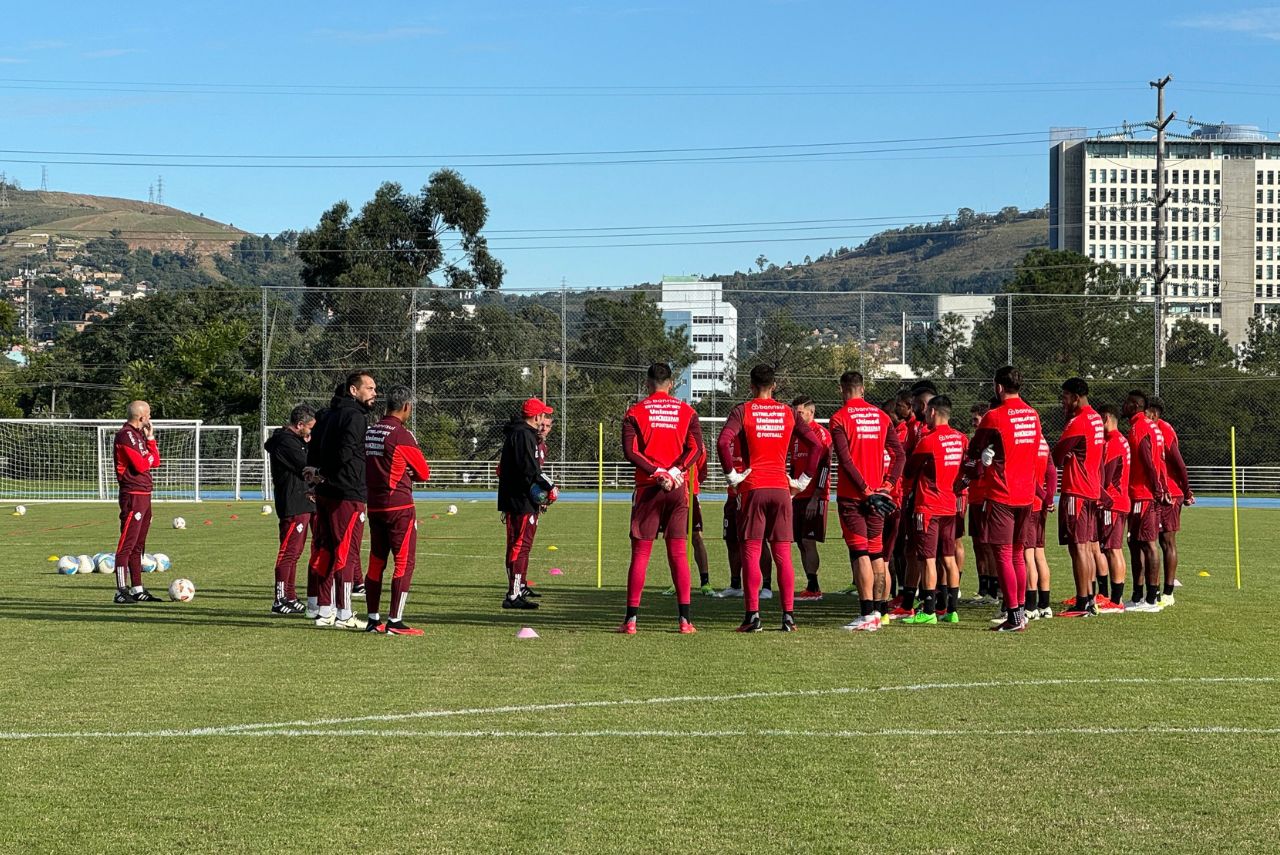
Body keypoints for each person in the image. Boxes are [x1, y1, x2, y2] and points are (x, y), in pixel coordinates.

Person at [716, 364, 822, 632]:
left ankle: (753, 617)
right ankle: (788, 617)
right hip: (781, 488)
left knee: (751, 550)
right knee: (783, 553)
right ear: (774, 386)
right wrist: (802, 482)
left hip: (753, 487)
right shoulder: (788, 412)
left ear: (751, 386)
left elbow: (722, 442)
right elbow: (817, 445)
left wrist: (732, 477)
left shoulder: (743, 410)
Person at [618, 363, 704, 634]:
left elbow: (630, 452)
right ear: (671, 384)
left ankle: (631, 621)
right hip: (678, 488)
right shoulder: (687, 411)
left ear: (647, 384)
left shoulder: (635, 412)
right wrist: (676, 471)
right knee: (678, 553)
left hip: (648, 488)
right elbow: (697, 448)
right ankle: (685, 621)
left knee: (641, 553)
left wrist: (657, 472)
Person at [960, 366, 1043, 632]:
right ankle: (1020, 611)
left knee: (1004, 554)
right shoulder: (1033, 414)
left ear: (998, 387)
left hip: (1002, 492)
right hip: (1027, 494)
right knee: (1018, 553)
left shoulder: (994, 416)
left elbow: (974, 447)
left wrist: (978, 463)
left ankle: (1014, 615)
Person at [829, 370, 905, 632]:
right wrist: (887, 485)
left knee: (860, 552)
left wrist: (864, 489)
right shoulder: (882, 416)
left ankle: (866, 614)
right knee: (877, 555)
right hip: (879, 497)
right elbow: (899, 455)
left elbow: (845, 459)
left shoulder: (839, 418)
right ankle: (879, 613)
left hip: (854, 497)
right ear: (863, 389)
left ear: (842, 390)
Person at [306, 371, 377, 629]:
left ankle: (324, 610)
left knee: (325, 549)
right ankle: (344, 614)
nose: (374, 393)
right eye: (369, 388)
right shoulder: (355, 417)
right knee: (346, 553)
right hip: (347, 493)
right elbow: (346, 452)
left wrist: (313, 472)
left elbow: (313, 448)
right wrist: (325, 473)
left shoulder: (325, 415)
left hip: (326, 492)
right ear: (353, 390)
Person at [364, 386, 431, 636]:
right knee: (404, 562)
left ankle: (373, 619)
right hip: (399, 506)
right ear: (406, 407)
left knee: (376, 560)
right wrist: (409, 472)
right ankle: (395, 621)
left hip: (375, 504)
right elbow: (423, 473)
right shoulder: (401, 435)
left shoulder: (371, 431)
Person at [901, 395, 965, 625]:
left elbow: (909, 470)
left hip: (928, 506)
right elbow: (967, 468)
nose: (924, 415)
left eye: (927, 411)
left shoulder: (928, 440)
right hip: (950, 506)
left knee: (927, 558)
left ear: (934, 412)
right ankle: (952, 610)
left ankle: (928, 610)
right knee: (948, 558)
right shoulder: (960, 438)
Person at [1053, 377, 1106, 618]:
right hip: (1091, 489)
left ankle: (1082, 601)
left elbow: (1057, 455)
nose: (1062, 402)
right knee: (1084, 546)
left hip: (1077, 489)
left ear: (1075, 397)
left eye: (1065, 397)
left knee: (1078, 547)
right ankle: (1090, 598)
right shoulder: (1096, 418)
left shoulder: (1079, 421)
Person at [498, 397, 557, 610]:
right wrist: (550, 487)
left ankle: (518, 589)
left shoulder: (522, 434)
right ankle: (514, 594)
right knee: (519, 547)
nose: (543, 420)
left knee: (520, 547)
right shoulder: (523, 435)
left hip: (520, 499)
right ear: (536, 416)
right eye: (542, 415)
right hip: (520, 500)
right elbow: (530, 470)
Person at [264, 404, 317, 615]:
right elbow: (306, 466)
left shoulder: (293, 440)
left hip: (302, 502)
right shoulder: (285, 442)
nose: (312, 433)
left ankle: (291, 595)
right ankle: (279, 599)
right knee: (288, 553)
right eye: (310, 429)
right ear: (300, 425)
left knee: (295, 553)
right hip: (293, 503)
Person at [113, 400, 164, 603]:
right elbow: (142, 464)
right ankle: (120, 591)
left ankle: (137, 589)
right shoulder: (125, 435)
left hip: (145, 494)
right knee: (127, 544)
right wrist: (149, 458)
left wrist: (151, 439)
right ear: (141, 417)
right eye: (149, 415)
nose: (150, 418)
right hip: (132, 494)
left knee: (138, 545)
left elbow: (155, 461)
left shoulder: (139, 435)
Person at [1123, 389, 1169, 613]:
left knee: (1147, 544)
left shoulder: (1139, 426)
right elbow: (1159, 460)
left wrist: (1156, 488)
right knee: (1137, 543)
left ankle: (1151, 598)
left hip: (1142, 493)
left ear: (1134, 405)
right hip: (1145, 492)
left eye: (1126, 403)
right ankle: (1140, 595)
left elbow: (1147, 457)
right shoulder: (1151, 426)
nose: (1123, 406)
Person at [1149, 397, 1193, 607]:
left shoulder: (1163, 430)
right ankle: (1154, 589)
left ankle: (1168, 592)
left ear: (1154, 413)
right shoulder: (1153, 430)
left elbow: (1178, 462)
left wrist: (1186, 490)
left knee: (1167, 541)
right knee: (1154, 542)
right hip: (1159, 492)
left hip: (1170, 493)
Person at [790, 396, 832, 601]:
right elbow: (792, 464)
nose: (795, 416)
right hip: (797, 495)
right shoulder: (795, 435)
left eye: (798, 413)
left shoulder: (821, 435)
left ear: (811, 413)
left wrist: (816, 497)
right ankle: (810, 585)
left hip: (815, 497)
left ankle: (814, 587)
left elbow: (825, 466)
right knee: (799, 541)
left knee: (808, 541)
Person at [1094, 404, 1131, 611]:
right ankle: (1107, 596)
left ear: (1106, 418)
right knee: (1109, 548)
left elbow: (1106, 474)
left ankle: (1116, 600)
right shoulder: (1119, 440)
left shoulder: (1114, 442)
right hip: (1118, 501)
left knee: (1113, 549)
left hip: (1112, 502)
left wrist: (1097, 494)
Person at [965, 400, 996, 605]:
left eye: (977, 419)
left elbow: (979, 468)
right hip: (974, 498)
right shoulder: (974, 440)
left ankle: (995, 591)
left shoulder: (991, 441)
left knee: (988, 545)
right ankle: (983, 588)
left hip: (986, 497)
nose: (974, 424)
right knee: (978, 545)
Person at [1024, 433, 1057, 621]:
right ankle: (1045, 605)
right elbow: (1051, 472)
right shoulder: (1044, 442)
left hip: (1029, 503)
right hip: (1041, 506)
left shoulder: (1028, 441)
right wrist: (1048, 498)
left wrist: (1043, 497)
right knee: (1039, 554)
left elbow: (1029, 476)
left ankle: (1030, 606)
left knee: (1027, 555)